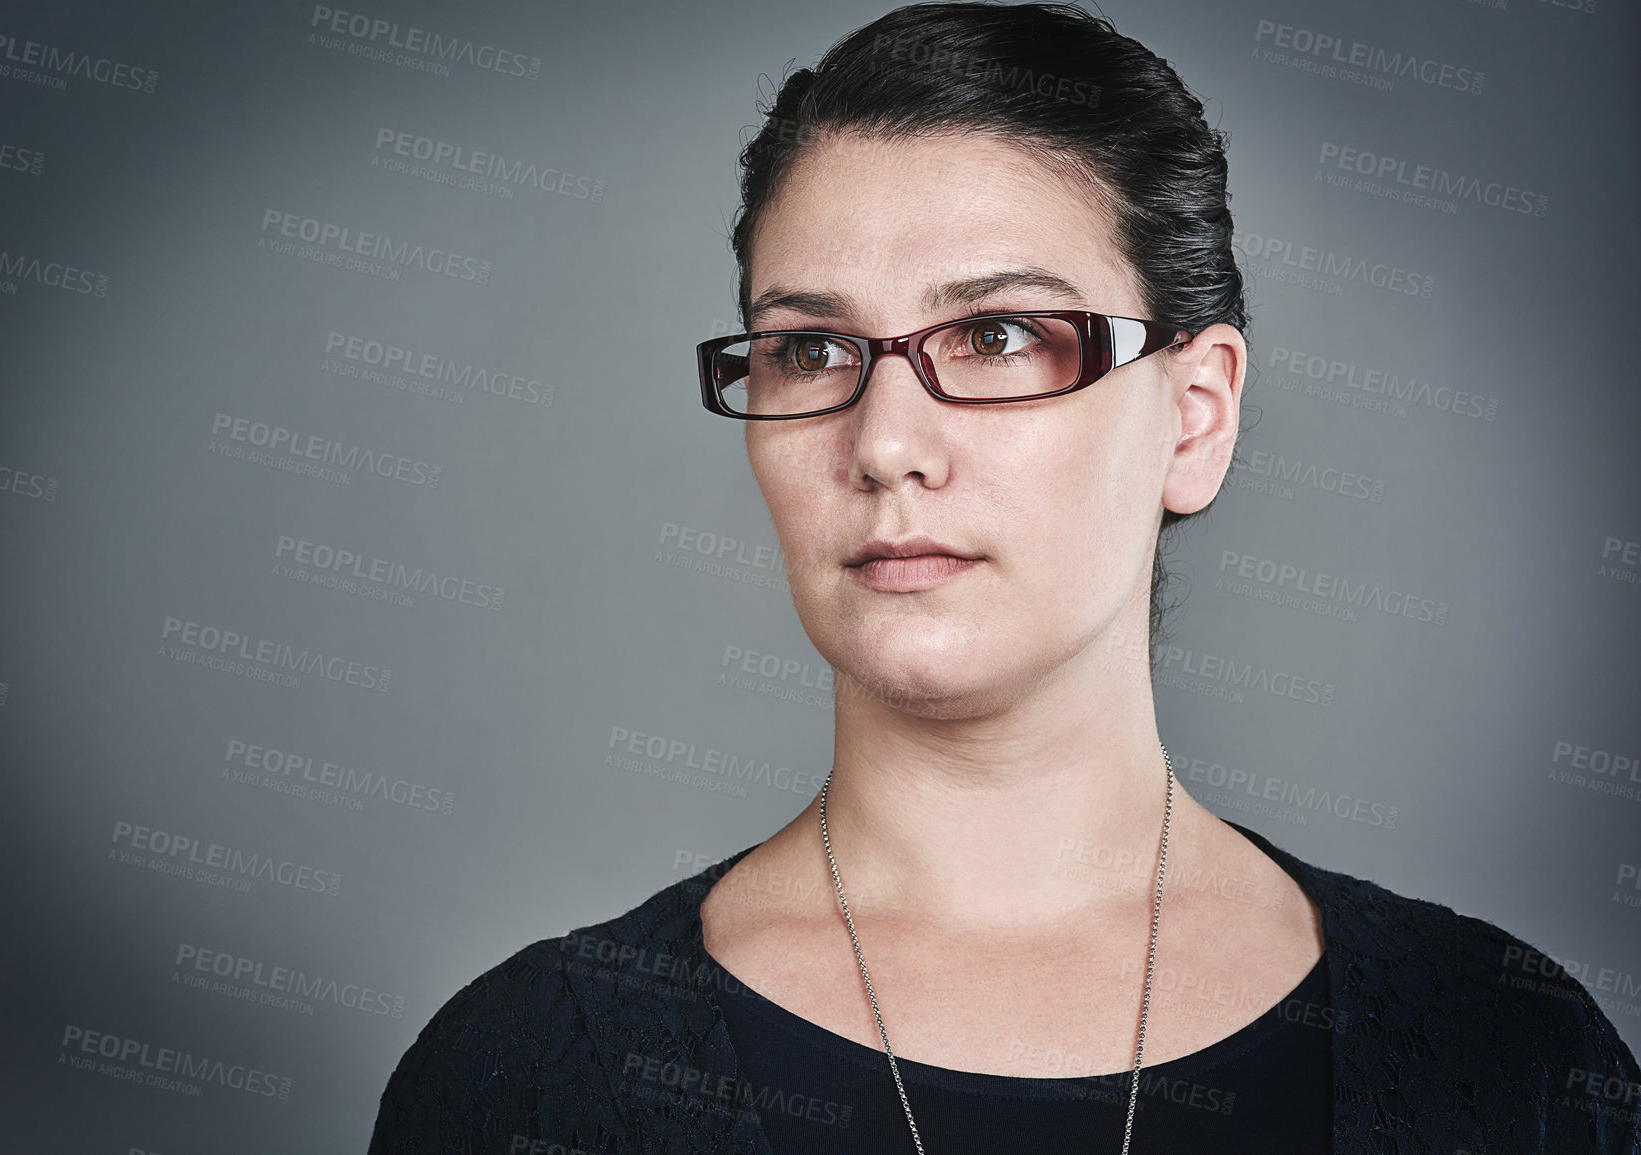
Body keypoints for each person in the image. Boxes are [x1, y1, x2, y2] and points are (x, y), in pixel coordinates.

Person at [368, 4, 1640, 1152]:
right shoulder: (528, 1080)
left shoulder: (1509, 1057)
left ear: (1194, 418)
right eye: (811, 348)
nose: (884, 445)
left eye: (998, 335)